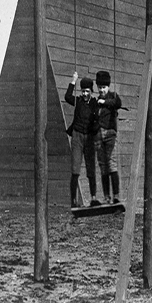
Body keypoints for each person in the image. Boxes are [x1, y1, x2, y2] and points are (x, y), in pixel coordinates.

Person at [65, 72, 100, 208]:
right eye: (83, 91)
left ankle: (93, 199)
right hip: (77, 137)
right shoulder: (78, 101)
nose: (85, 94)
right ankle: (74, 201)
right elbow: (67, 96)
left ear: (91, 91)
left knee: (91, 170)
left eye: (87, 91)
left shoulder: (95, 103)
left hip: (89, 138)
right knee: (75, 169)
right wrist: (73, 81)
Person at [94, 70, 123, 204]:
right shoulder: (96, 100)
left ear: (108, 87)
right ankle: (107, 196)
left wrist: (104, 102)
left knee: (111, 164)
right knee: (103, 166)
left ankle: (116, 196)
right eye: (99, 87)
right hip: (98, 135)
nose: (101, 90)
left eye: (104, 87)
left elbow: (118, 104)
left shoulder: (113, 96)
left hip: (110, 134)